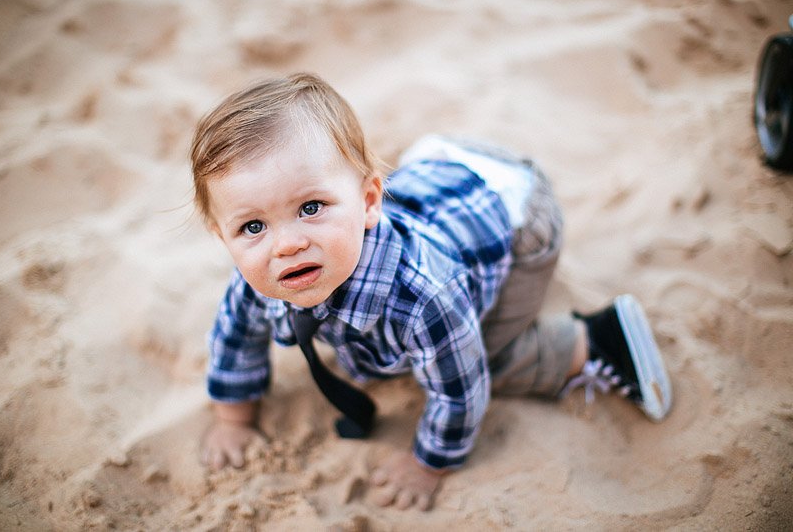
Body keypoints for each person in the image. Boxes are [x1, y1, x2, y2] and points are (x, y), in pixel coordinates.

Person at [190, 72, 672, 511]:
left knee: (489, 359)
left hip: (518, 214)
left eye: (311, 207)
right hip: (442, 172)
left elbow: (460, 391)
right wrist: (233, 418)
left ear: (370, 201)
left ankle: (597, 340)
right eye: (253, 225)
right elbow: (235, 335)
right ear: (222, 236)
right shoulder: (262, 276)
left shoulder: (423, 298)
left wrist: (428, 463)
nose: (288, 243)